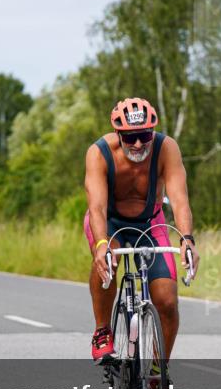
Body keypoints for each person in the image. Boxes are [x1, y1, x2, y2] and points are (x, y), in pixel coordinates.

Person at [84, 97, 199, 369]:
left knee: (167, 300)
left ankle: (159, 372)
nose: (138, 144)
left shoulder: (166, 148)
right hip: (110, 221)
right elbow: (97, 207)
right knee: (107, 262)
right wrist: (102, 244)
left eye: (145, 135)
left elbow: (180, 199)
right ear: (119, 134)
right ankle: (102, 330)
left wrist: (187, 239)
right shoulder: (99, 153)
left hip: (150, 222)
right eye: (131, 137)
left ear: (153, 132)